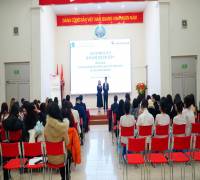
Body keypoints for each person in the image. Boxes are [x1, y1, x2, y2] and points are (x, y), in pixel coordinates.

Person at [44, 102, 69, 180]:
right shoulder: (63, 127)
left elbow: (45, 141)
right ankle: (65, 177)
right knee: (67, 155)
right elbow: (67, 142)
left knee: (61, 154)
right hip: (61, 159)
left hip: (50, 159)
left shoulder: (46, 127)